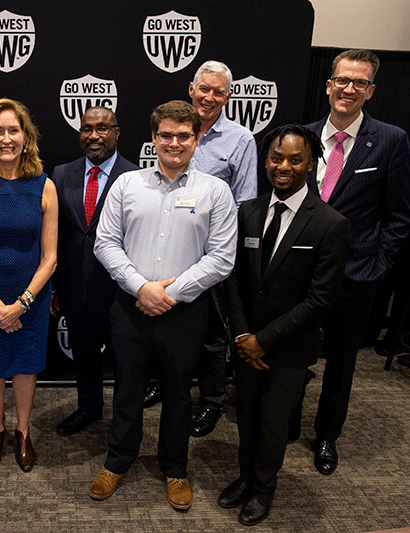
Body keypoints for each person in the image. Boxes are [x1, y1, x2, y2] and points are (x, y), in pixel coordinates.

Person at [90, 100, 236, 510]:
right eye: (166, 135)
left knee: (177, 394)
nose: (174, 143)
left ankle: (176, 469)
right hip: (131, 306)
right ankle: (117, 460)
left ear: (197, 138)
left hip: (186, 312)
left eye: (183, 136)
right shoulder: (127, 184)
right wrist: (142, 288)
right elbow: (105, 242)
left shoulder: (215, 191)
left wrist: (171, 292)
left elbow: (222, 257)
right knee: (127, 389)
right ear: (153, 138)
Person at [221, 125, 349, 525]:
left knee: (273, 424)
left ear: (311, 164)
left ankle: (263, 489)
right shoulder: (249, 211)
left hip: (289, 350)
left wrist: (264, 341)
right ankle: (245, 477)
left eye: (295, 160)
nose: (284, 167)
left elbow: (320, 300)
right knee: (246, 418)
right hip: (246, 345)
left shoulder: (330, 223)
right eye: (277, 158)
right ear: (266, 160)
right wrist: (243, 336)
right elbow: (234, 280)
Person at [300, 49, 410, 475]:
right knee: (294, 354)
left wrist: (375, 268)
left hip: (355, 275)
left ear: (371, 90)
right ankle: (289, 420)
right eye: (342, 80)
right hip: (301, 275)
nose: (349, 89)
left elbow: (399, 217)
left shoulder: (390, 140)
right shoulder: (303, 138)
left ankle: (327, 435)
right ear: (329, 85)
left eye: (359, 83)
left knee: (342, 362)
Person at [143, 61, 258, 441]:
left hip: (212, 259)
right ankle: (160, 382)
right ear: (191, 89)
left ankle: (210, 400)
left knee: (211, 337)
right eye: (204, 89)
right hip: (167, 253)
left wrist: (216, 254)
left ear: (228, 97)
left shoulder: (240, 140)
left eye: (218, 92)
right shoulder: (170, 128)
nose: (210, 97)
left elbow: (246, 203)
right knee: (160, 326)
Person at [0, 98, 57, 473]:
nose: (6, 138)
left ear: (26, 136)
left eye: (13, 130)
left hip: (30, 296)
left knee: (24, 366)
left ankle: (23, 431)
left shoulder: (44, 185)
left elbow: (50, 257)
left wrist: (22, 303)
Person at [50, 106, 138, 436]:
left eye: (102, 128)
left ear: (117, 132)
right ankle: (88, 408)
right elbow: (55, 235)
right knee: (84, 356)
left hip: (119, 289)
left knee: (125, 361)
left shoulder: (135, 177)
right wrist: (55, 286)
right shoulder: (61, 174)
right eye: (87, 129)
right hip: (76, 286)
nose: (94, 135)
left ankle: (124, 419)